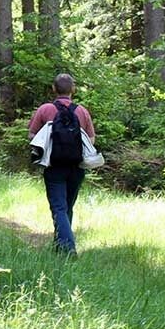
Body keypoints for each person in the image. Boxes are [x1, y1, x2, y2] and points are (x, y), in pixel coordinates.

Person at [28, 73, 96, 255]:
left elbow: (32, 136)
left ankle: (67, 247)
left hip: (54, 165)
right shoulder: (81, 111)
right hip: (77, 166)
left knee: (58, 207)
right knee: (67, 206)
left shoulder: (45, 109)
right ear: (73, 89)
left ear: (53, 88)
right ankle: (61, 246)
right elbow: (91, 139)